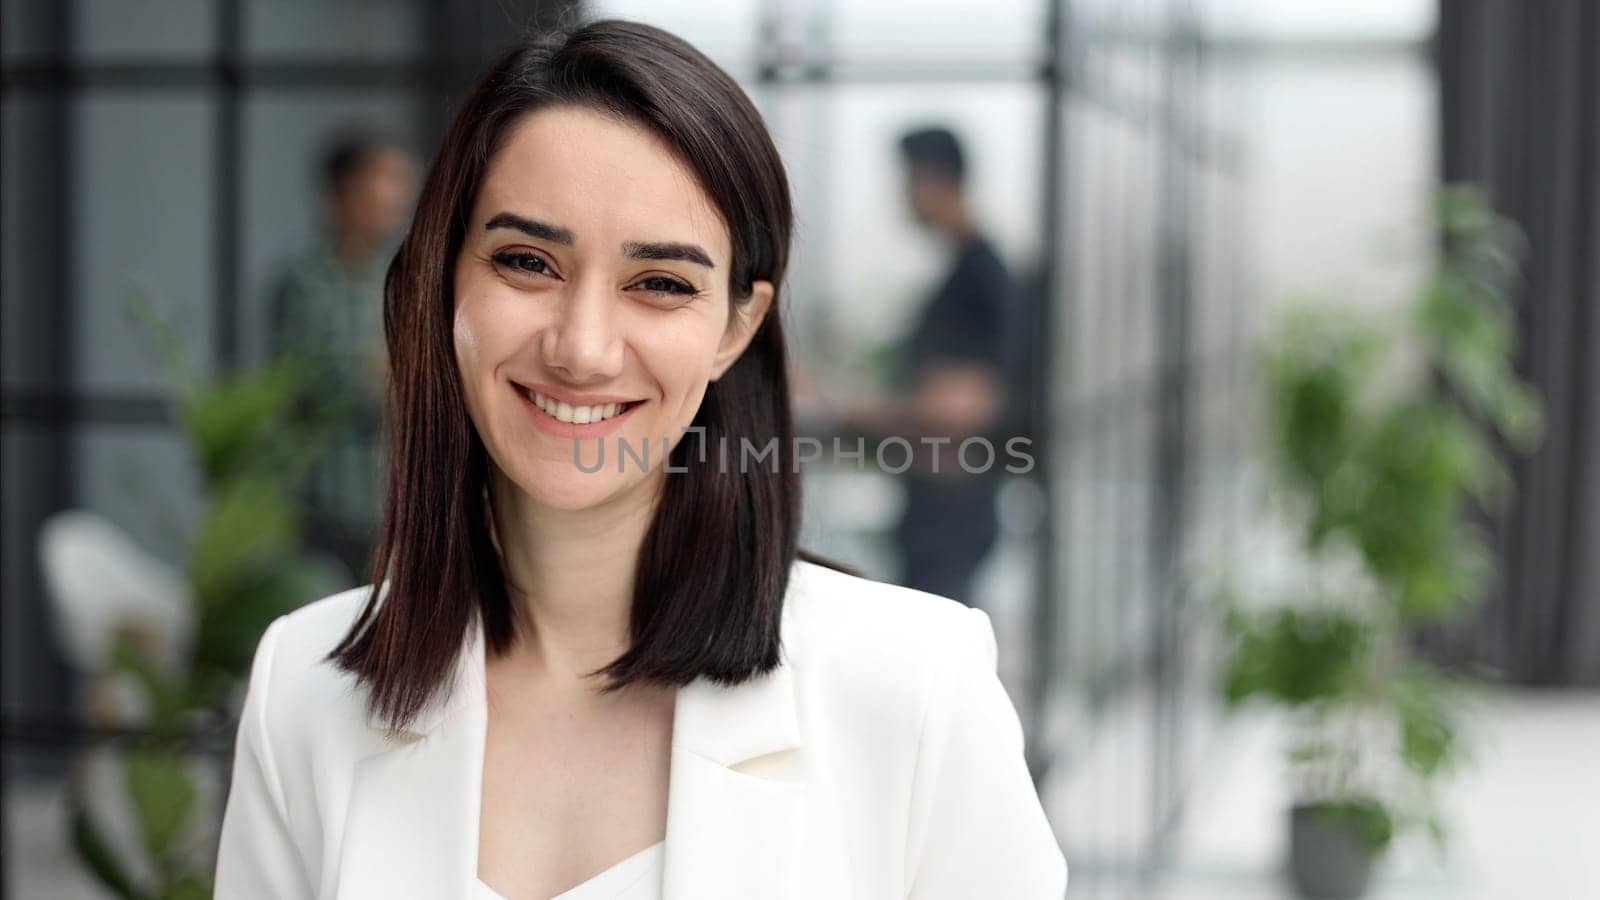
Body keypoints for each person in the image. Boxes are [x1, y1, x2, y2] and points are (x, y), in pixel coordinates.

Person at [215, 20, 1066, 900]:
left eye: (660, 283)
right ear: (444, 283)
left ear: (736, 326)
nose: (581, 349)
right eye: (526, 261)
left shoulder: (916, 690)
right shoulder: (302, 691)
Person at [265, 130, 419, 583]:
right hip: (326, 502)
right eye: (386, 180)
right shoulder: (306, 281)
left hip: (388, 498)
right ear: (344, 191)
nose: (399, 196)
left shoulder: (396, 277)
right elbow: (333, 383)